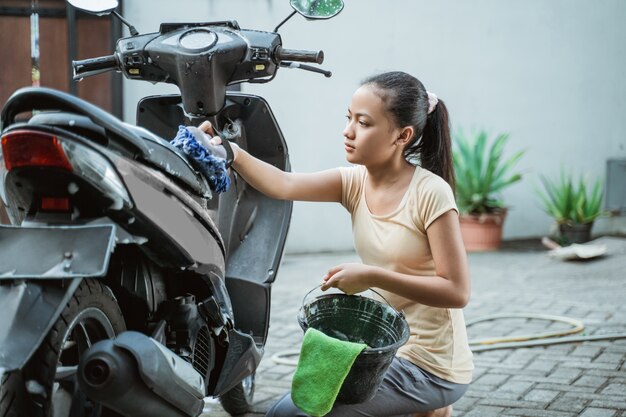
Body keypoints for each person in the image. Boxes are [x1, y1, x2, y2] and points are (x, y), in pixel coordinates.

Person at [201, 71, 473, 417]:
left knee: (293, 414)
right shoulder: (355, 182)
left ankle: (434, 402)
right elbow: (283, 184)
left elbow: (457, 291)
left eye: (364, 123)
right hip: (383, 347)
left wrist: (371, 277)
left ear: (402, 136)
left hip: (430, 363)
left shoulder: (430, 193)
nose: (348, 131)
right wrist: (230, 152)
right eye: (348, 118)